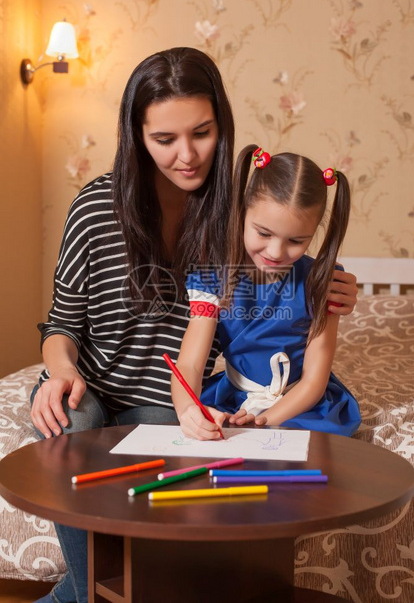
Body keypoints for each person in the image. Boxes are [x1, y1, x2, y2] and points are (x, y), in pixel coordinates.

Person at [30, 47, 358, 603]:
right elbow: (62, 324)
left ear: (222, 125)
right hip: (89, 380)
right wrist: (59, 371)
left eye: (202, 132)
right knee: (73, 422)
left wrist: (331, 282)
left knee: (185, 461)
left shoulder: (237, 216)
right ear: (137, 137)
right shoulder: (94, 209)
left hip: (169, 393)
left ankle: (84, 593)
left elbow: (287, 259)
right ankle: (90, 595)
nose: (187, 155)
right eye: (164, 140)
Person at [171, 146, 361, 441]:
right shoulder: (212, 278)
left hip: (300, 404)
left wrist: (263, 420)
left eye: (297, 241)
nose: (275, 252)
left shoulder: (323, 282)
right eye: (263, 233)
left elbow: (314, 381)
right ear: (243, 212)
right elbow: (190, 364)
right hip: (234, 399)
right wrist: (187, 410)